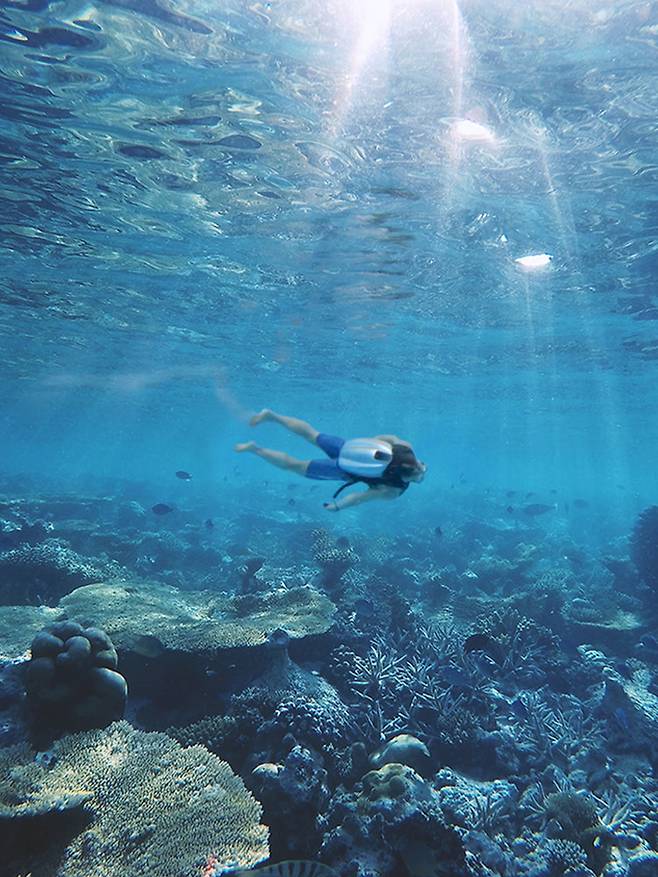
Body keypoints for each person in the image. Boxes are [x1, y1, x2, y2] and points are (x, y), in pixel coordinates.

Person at [234, 409, 426, 511]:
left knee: (312, 434)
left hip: (347, 447)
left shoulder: (405, 447)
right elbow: (359, 498)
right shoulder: (393, 491)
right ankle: (255, 449)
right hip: (341, 469)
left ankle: (272, 416)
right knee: (295, 466)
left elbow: (386, 438)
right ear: (412, 480)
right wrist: (337, 506)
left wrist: (362, 447)